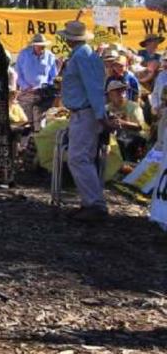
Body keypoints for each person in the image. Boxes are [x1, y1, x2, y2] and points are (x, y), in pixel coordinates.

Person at [58, 20, 110, 222]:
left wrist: (99, 115)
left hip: (85, 112)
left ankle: (95, 204)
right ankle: (90, 202)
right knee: (82, 158)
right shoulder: (83, 55)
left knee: (79, 158)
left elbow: (93, 87)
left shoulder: (83, 56)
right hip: (84, 112)